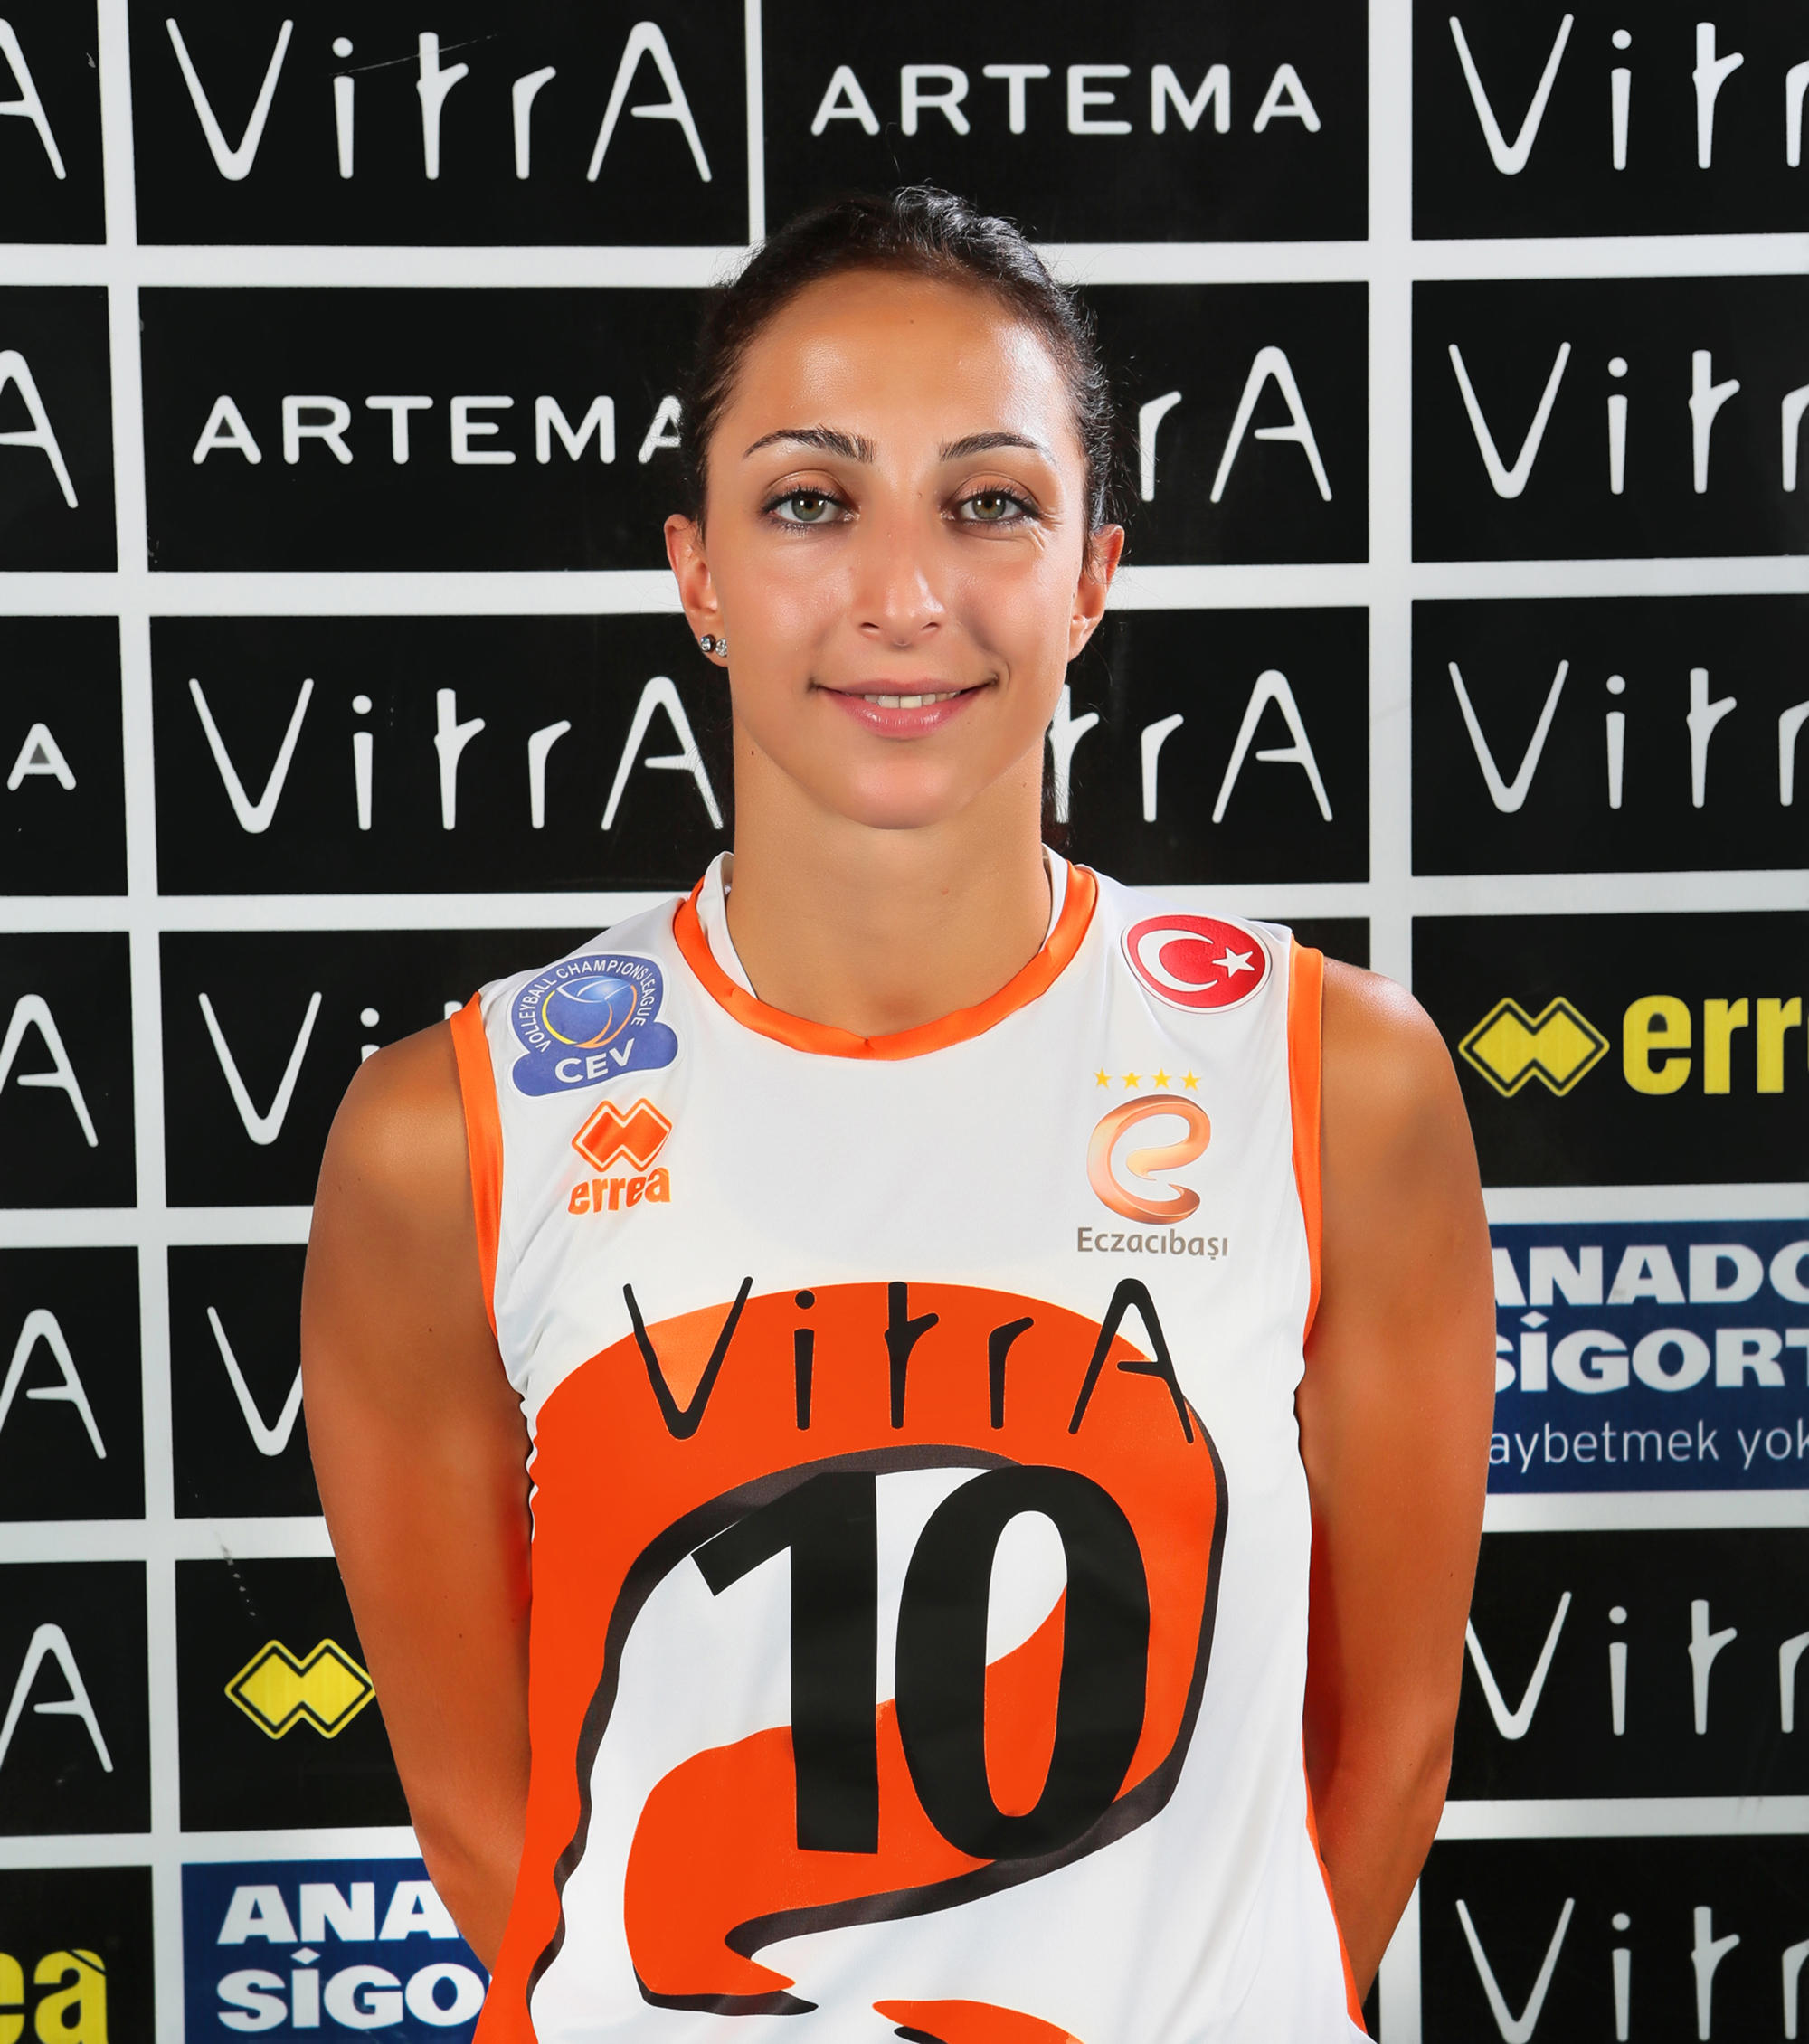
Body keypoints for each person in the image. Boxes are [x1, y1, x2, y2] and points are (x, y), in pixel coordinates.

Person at [302, 188, 1495, 2044]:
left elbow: (1388, 1741)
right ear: (697, 572)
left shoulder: (1333, 1078)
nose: (904, 597)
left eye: (989, 502)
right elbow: (495, 1824)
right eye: (810, 501)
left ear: (1092, 571)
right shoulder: (448, 1133)